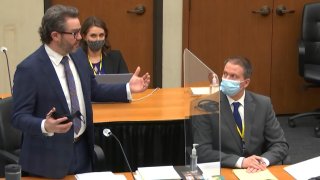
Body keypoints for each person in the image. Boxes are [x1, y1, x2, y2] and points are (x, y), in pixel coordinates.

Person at [11, 4, 150, 179]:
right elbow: (18, 117)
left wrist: (127, 88)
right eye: (75, 33)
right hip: (48, 161)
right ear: (55, 35)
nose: (80, 37)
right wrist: (45, 126)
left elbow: (93, 90)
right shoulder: (29, 69)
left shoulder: (77, 56)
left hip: (83, 150)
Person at [193, 56, 289, 173]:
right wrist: (241, 162)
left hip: (255, 171)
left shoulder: (263, 104)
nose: (226, 79)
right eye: (225, 74)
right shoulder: (205, 105)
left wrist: (262, 161)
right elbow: (202, 151)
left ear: (246, 82)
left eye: (233, 76)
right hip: (224, 169)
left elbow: (280, 144)